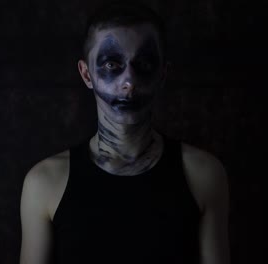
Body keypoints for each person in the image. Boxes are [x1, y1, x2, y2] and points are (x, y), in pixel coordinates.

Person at [20, 2, 230, 264]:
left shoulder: (203, 174)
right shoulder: (44, 183)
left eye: (144, 63)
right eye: (111, 64)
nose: (129, 82)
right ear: (87, 74)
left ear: (162, 73)